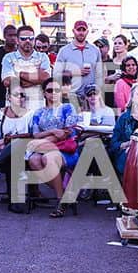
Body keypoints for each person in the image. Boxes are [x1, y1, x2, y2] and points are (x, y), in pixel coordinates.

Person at [26, 78, 80, 217]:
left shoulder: (67, 108)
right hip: (44, 147)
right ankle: (64, 194)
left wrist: (47, 141)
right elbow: (36, 134)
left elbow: (66, 132)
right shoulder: (38, 112)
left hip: (64, 149)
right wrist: (52, 132)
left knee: (48, 158)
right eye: (50, 90)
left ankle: (60, 201)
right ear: (44, 93)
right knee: (33, 160)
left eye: (57, 90)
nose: (53, 93)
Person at [0, 89, 35, 213]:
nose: (20, 98)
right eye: (16, 95)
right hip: (1, 155)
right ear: (8, 97)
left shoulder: (31, 115)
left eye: (23, 95)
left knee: (16, 153)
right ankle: (16, 201)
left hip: (24, 156)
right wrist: (7, 149)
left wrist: (11, 143)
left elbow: (32, 137)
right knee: (12, 156)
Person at [1, 25, 51, 111]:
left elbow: (45, 78)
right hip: (15, 110)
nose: (28, 41)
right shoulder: (8, 57)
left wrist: (20, 74)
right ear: (17, 40)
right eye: (23, 39)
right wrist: (35, 79)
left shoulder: (43, 57)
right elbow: (7, 81)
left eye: (31, 38)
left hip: (37, 108)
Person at [54, 19, 101, 103]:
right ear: (73, 31)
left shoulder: (95, 50)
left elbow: (99, 75)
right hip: (70, 96)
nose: (81, 32)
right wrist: (74, 72)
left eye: (84, 30)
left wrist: (99, 93)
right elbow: (56, 74)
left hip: (91, 97)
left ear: (87, 32)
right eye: (78, 30)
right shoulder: (64, 51)